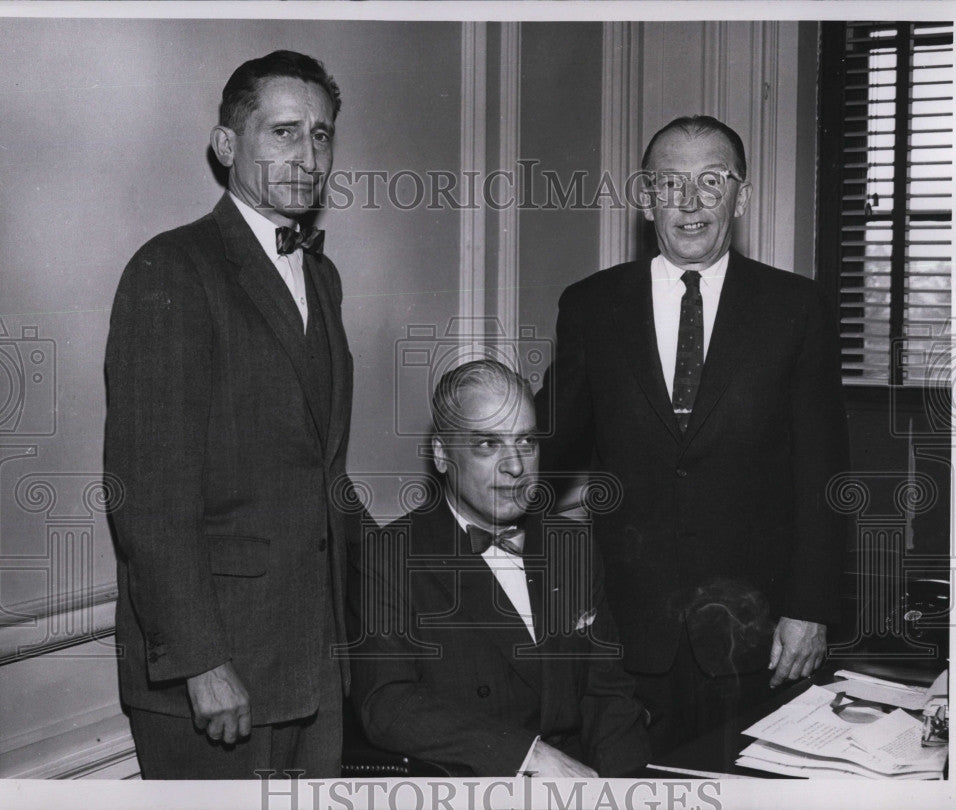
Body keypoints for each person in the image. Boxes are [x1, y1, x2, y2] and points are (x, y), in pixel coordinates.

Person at [536, 115, 849, 753]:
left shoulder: (796, 307)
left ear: (742, 197)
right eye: (669, 182)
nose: (690, 202)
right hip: (624, 628)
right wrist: (478, 444)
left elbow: (823, 472)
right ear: (645, 196)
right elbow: (553, 444)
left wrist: (810, 607)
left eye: (711, 181)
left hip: (756, 635)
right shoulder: (592, 306)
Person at [104, 50, 358, 779]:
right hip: (216, 679)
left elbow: (319, 471)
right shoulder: (172, 268)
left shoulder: (322, 275)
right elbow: (147, 499)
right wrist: (201, 661)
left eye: (321, 135)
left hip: (311, 663)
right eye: (283, 132)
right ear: (226, 146)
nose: (307, 155)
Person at [347, 360, 651, 777]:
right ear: (441, 453)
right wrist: (527, 755)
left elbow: (608, 696)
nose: (515, 465)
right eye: (488, 444)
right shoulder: (391, 555)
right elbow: (386, 704)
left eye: (526, 441)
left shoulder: (572, 544)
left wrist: (625, 792)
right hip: (475, 785)